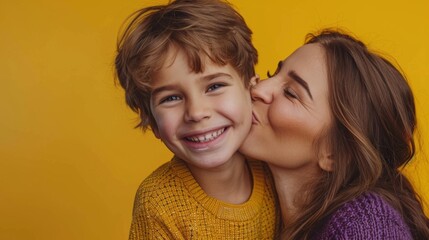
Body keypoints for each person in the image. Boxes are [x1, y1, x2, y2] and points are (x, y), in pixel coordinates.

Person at [240, 29, 429, 239]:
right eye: (273, 74)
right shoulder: (253, 199)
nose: (258, 89)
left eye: (291, 93)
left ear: (335, 154)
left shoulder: (365, 225)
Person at [114, 0, 280, 239]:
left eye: (214, 86)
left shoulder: (273, 164)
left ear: (250, 90)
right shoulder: (159, 203)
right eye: (171, 98)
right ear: (152, 122)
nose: (196, 112)